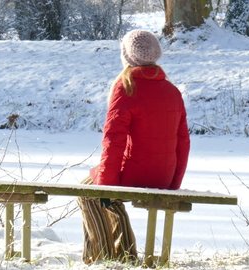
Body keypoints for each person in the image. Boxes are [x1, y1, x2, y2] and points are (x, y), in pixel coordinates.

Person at [78, 29, 190, 264]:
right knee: (100, 191)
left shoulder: (126, 87)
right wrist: (173, 183)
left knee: (87, 192)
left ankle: (105, 257)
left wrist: (106, 187)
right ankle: (123, 254)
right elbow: (183, 142)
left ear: (127, 57)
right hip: (164, 177)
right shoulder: (172, 91)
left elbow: (114, 140)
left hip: (134, 174)